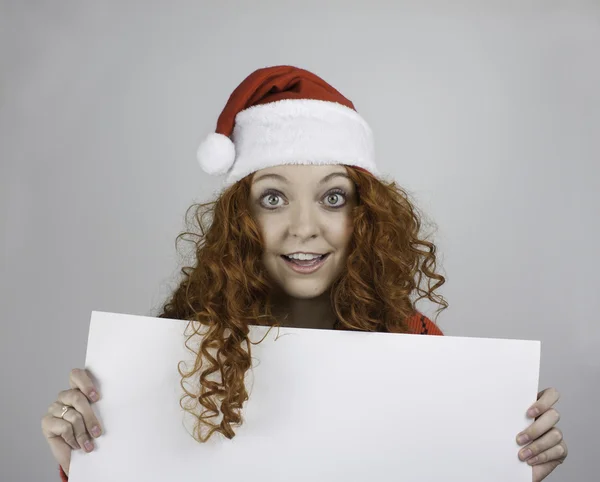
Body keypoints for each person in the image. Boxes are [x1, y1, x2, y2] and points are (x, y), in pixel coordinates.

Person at [41, 65, 568, 481]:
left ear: (364, 213)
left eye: (332, 197)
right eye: (273, 198)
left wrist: (510, 468)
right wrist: (86, 462)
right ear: (240, 220)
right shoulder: (178, 356)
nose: (303, 228)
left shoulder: (416, 343)